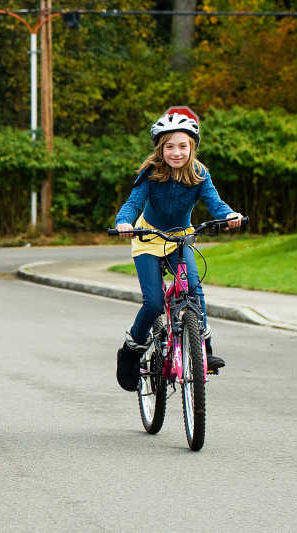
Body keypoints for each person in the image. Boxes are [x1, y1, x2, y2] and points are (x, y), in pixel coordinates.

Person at [113, 112, 243, 391]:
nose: (176, 152)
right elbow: (133, 203)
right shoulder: (151, 172)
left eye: (183, 146)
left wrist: (229, 215)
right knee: (154, 303)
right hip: (148, 237)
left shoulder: (199, 174)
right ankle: (131, 350)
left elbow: (215, 204)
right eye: (170, 146)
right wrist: (124, 222)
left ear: (192, 147)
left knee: (194, 291)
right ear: (160, 148)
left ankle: (203, 349)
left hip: (181, 238)